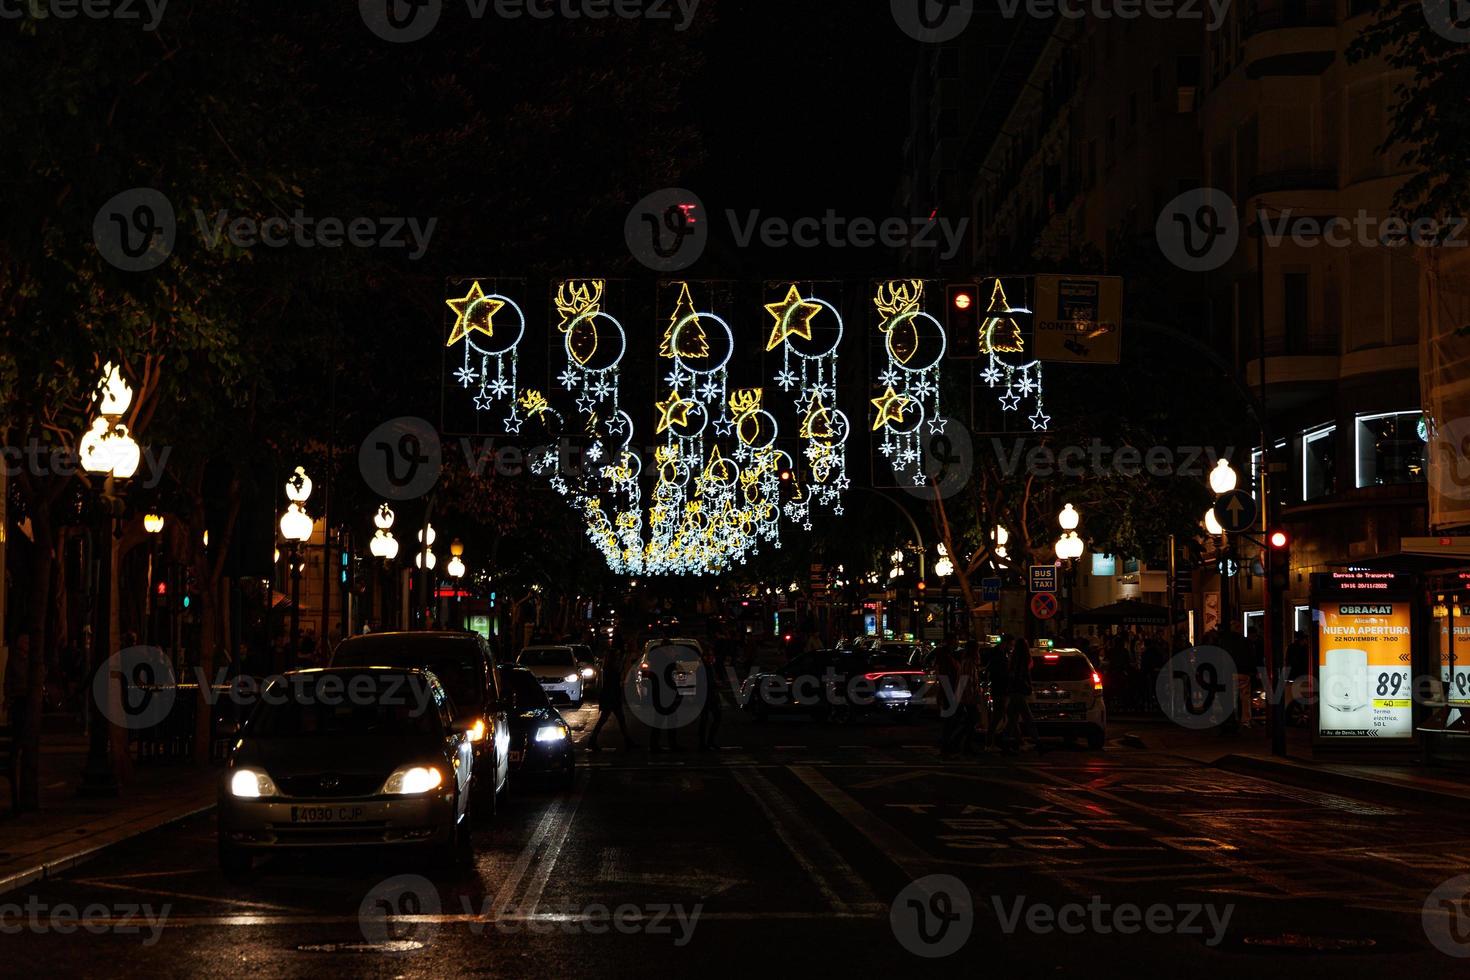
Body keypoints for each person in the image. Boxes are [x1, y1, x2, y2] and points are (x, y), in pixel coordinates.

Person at [589, 641, 637, 752]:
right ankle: (592, 740)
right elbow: (618, 673)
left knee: (619, 719)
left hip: (611, 695)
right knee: (606, 719)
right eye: (617, 655)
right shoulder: (611, 668)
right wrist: (625, 657)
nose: (618, 657)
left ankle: (628, 741)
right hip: (611, 696)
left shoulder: (608, 667)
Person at [1005, 638, 1041, 754]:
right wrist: (1028, 685)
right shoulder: (1024, 659)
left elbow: (1015, 675)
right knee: (1017, 715)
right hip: (1019, 690)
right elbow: (1024, 675)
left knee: (1015, 715)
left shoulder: (1015, 659)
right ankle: (1026, 739)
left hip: (1015, 690)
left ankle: (1011, 739)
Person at [934, 640, 962, 757]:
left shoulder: (944, 661)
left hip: (948, 692)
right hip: (950, 692)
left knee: (950, 721)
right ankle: (947, 746)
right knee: (952, 721)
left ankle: (947, 745)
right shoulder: (948, 662)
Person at [985, 638, 1011, 749]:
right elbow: (1002, 674)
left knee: (1001, 716)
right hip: (1001, 689)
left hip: (999, 689)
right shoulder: (1001, 658)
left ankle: (994, 741)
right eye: (1010, 644)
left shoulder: (997, 656)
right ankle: (992, 741)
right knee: (998, 716)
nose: (1011, 648)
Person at [696, 648, 722, 751]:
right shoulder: (704, 668)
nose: (712, 658)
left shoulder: (709, 667)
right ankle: (706, 742)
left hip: (710, 696)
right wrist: (716, 684)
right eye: (710, 656)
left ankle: (707, 742)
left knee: (708, 719)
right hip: (707, 697)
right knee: (707, 719)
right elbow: (705, 683)